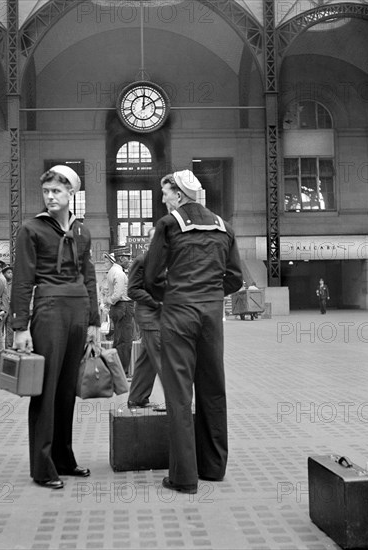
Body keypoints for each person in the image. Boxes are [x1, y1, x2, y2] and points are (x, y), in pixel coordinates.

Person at [144, 170, 243, 494]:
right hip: (212, 315)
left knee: (179, 394)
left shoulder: (169, 225)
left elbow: (151, 276)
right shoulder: (224, 226)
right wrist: (211, 294)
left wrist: (172, 296)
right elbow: (235, 278)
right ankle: (213, 467)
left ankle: (184, 477)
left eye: (166, 193)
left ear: (180, 195)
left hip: (178, 314)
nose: (163, 200)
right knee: (213, 388)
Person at [10, 165, 100, 489]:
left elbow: (89, 277)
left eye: (57, 191)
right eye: (46, 191)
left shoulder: (82, 231)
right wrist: (20, 327)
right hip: (48, 311)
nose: (50, 196)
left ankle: (64, 458)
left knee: (66, 392)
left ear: (71, 193)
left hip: (78, 311)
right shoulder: (30, 229)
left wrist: (94, 323)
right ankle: (43, 467)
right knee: (45, 391)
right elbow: (22, 280)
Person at [127, 227, 164, 409]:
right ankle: (175, 401)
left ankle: (137, 397)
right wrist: (156, 302)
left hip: (160, 316)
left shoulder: (166, 261)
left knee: (147, 359)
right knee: (163, 358)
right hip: (150, 317)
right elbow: (132, 290)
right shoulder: (141, 260)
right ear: (149, 242)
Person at [105, 248, 134, 376]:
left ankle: (116, 370)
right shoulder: (120, 273)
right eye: (127, 257)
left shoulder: (112, 271)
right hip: (123, 306)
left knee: (118, 339)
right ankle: (122, 371)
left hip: (118, 308)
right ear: (121, 258)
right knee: (125, 340)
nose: (129, 260)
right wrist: (109, 300)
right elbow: (118, 294)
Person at [2, 265, 14, 348]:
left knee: (10, 330)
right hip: (2, 308)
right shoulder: (1, 283)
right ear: (4, 274)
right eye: (8, 272)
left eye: (11, 272)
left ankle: (9, 348)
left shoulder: (15, 284)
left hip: (11, 309)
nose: (11, 274)